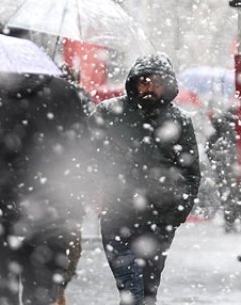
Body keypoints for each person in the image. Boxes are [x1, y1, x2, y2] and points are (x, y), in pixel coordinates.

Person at [0, 69, 92, 305]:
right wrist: (73, 211)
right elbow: (81, 151)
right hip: (51, 212)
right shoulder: (64, 92)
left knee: (0, 297)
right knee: (41, 296)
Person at [92, 54, 201, 305]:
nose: (150, 87)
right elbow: (85, 154)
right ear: (134, 82)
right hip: (117, 215)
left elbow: (190, 172)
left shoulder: (179, 120)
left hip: (159, 219)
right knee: (131, 291)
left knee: (148, 290)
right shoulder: (109, 113)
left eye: (157, 82)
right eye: (144, 81)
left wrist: (176, 214)